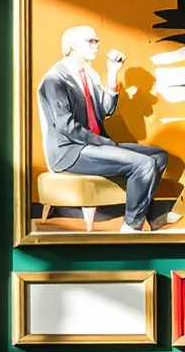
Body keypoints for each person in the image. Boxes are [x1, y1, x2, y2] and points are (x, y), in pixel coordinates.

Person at [36, 23, 178, 231]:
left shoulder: (89, 74)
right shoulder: (55, 80)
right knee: (143, 163)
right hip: (69, 151)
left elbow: (105, 111)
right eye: (91, 41)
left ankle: (154, 216)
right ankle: (131, 227)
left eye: (97, 41)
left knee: (158, 156)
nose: (97, 45)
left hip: (93, 145)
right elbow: (67, 127)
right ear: (73, 45)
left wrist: (112, 74)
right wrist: (103, 143)